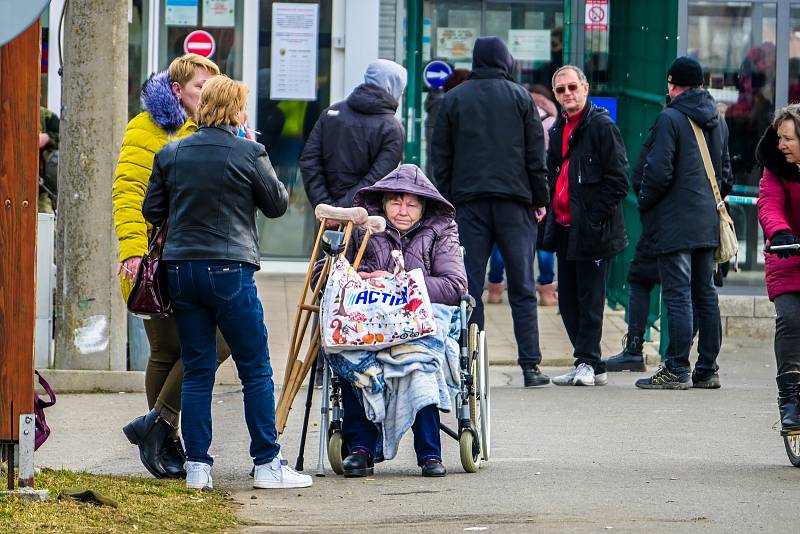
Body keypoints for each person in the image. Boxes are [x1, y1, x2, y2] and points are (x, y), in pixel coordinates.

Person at [142, 76, 311, 491]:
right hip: (230, 269)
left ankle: (198, 467)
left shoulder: (172, 151)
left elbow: (152, 209)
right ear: (236, 110)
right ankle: (268, 463)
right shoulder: (249, 151)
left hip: (181, 270)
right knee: (255, 368)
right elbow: (276, 205)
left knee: (198, 369)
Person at [113, 54, 230, 480]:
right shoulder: (146, 128)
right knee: (166, 350)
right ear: (177, 90)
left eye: (211, 87)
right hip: (155, 258)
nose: (206, 94)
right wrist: (132, 250)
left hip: (202, 255)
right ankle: (164, 436)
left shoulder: (215, 129)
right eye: (200, 86)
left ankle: (157, 427)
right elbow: (127, 191)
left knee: (217, 341)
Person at [334, 164, 467, 478]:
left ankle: (430, 453)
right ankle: (361, 448)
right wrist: (364, 281)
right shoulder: (361, 227)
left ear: (424, 207)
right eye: (396, 202)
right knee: (352, 354)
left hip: (419, 321)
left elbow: (455, 286)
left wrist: (404, 282)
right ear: (383, 203)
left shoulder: (441, 231)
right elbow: (325, 278)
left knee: (416, 362)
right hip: (369, 321)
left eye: (411, 204)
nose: (403, 210)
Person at [432, 36, 550, 388]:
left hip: (469, 206)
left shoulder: (453, 99)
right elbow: (535, 155)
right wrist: (539, 198)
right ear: (505, 60)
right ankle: (530, 365)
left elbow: (442, 157)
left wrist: (449, 199)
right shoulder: (521, 98)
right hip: (516, 204)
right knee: (523, 286)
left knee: (469, 286)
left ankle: (470, 362)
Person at [635, 56, 730, 390]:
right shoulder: (718, 120)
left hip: (675, 222)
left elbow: (658, 171)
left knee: (677, 295)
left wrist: (644, 204)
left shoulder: (670, 119)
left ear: (672, 84)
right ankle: (708, 368)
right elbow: (726, 174)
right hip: (706, 221)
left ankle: (676, 367)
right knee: (705, 293)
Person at [539, 65, 629, 387]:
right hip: (564, 225)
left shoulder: (602, 126)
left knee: (591, 299)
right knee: (568, 301)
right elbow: (552, 173)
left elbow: (619, 180)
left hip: (594, 228)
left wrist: (593, 217)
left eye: (572, 87)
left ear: (586, 88)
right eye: (561, 90)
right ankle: (589, 361)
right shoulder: (557, 129)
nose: (567, 94)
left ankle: (588, 362)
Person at [300, 59, 407, 210]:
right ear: (392, 86)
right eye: (401, 89)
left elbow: (309, 162)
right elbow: (378, 180)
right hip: (367, 220)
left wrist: (326, 206)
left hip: (326, 218)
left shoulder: (331, 114)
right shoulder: (393, 128)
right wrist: (342, 211)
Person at [487, 85, 559, 306]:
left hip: (512, 187)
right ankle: (546, 291)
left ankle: (496, 289)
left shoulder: (510, 117)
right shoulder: (552, 121)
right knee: (544, 242)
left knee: (501, 240)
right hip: (543, 186)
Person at [756, 104, 800, 433]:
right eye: (779, 138)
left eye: (788, 139)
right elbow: (768, 203)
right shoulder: (775, 170)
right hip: (788, 258)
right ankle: (791, 399)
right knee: (790, 319)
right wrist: (780, 232)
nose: (780, 145)